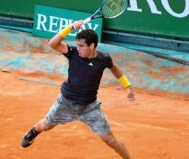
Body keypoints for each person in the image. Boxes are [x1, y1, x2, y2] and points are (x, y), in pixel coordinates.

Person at [21, 20, 135, 159]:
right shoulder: (73, 53)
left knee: (110, 140)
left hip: (90, 107)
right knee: (46, 125)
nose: (78, 48)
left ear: (92, 45)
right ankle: (33, 132)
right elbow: (53, 44)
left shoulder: (104, 58)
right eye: (77, 45)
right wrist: (69, 28)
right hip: (66, 103)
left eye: (81, 46)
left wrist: (127, 85)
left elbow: (114, 68)